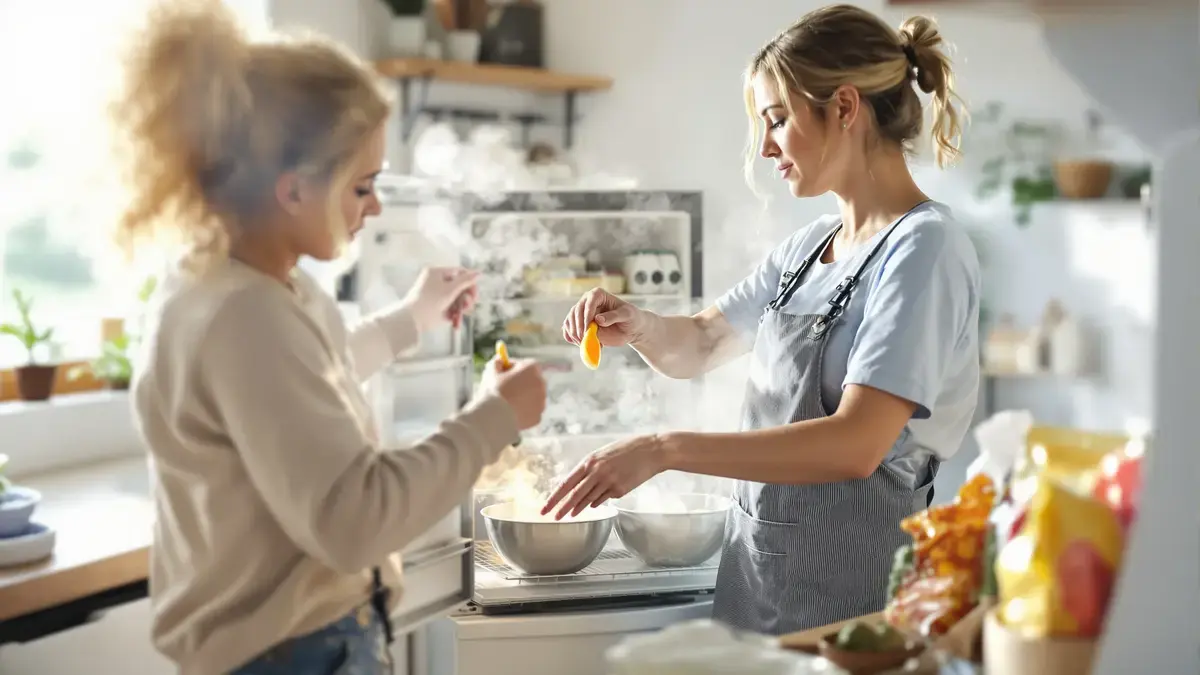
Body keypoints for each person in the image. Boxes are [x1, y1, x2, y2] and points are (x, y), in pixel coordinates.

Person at [110, 2, 546, 673]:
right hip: (291, 655)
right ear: (293, 190)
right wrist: (495, 418)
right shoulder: (243, 316)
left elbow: (310, 376)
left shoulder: (247, 279)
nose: (374, 207)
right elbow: (356, 515)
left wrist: (410, 318)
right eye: (362, 186)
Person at [543, 4, 980, 636]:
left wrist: (665, 450)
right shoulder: (806, 250)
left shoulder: (924, 249)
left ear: (845, 108)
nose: (767, 146)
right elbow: (701, 342)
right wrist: (635, 324)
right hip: (761, 581)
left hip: (858, 592)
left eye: (777, 120)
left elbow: (857, 444)